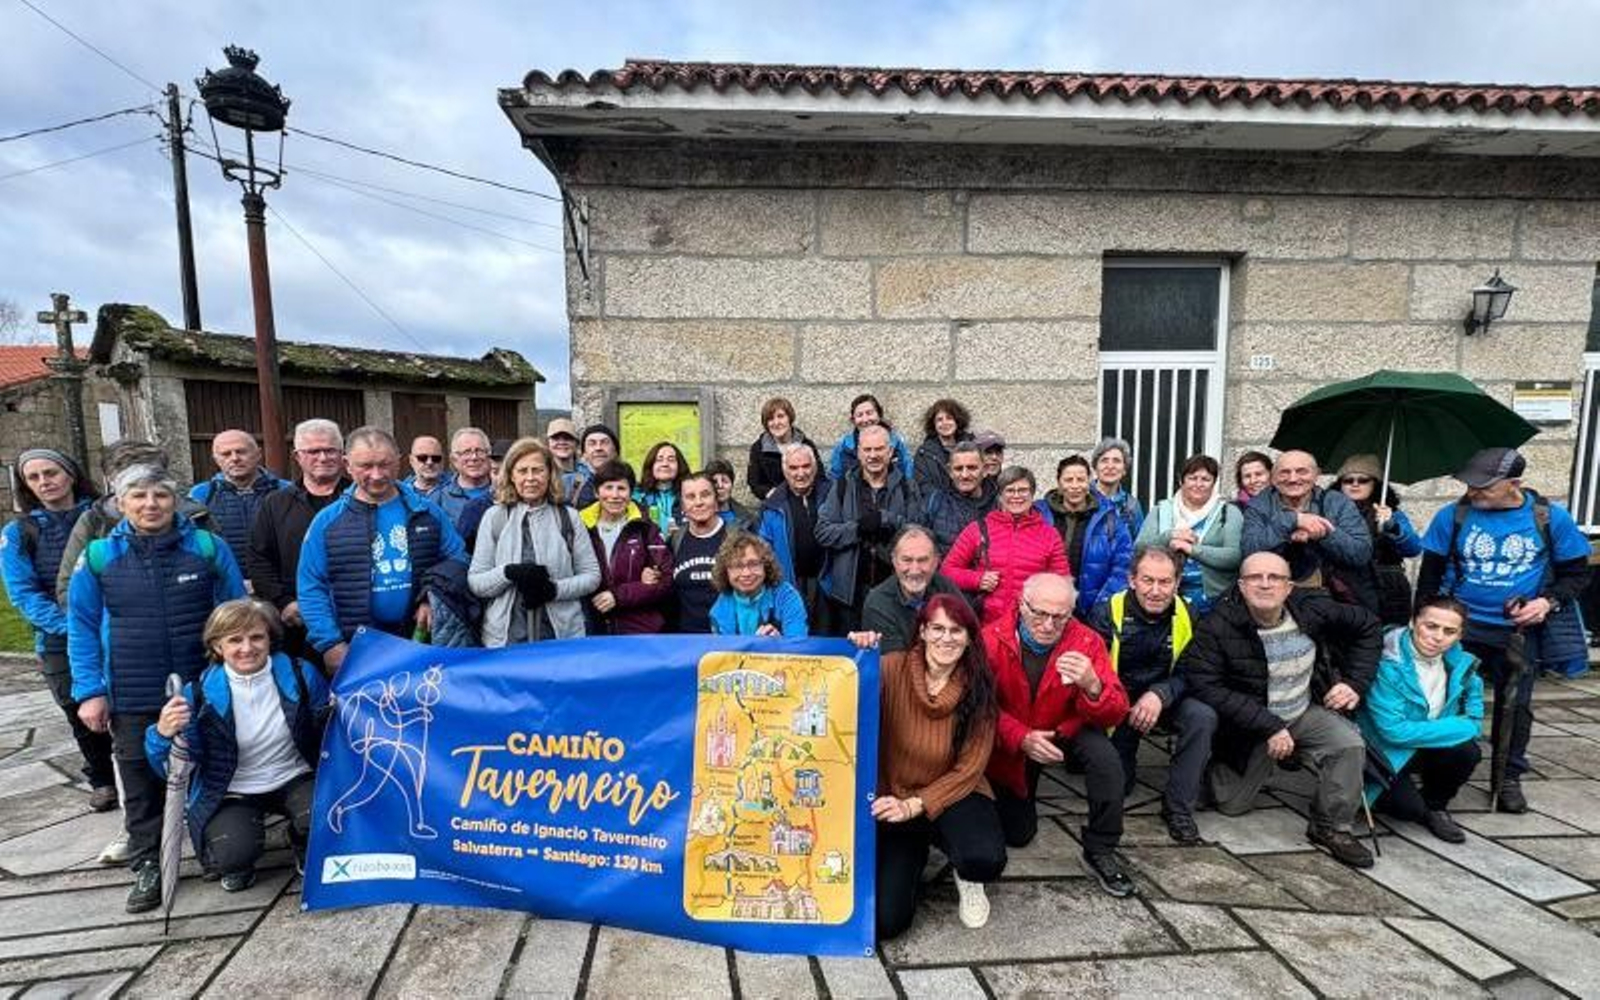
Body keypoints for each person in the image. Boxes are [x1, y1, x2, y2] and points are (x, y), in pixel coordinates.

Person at [67, 464, 247, 913]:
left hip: (201, 682)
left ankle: (213, 844)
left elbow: (235, 613)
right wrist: (90, 690)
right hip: (131, 688)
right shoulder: (99, 557)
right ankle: (149, 861)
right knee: (141, 780)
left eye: (160, 496)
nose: (151, 505)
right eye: (139, 497)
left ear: (175, 501)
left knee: (211, 765)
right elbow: (82, 626)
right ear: (120, 503)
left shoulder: (207, 548)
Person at [1414, 447, 1590, 813]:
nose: (1473, 493)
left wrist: (1547, 602)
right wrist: (1423, 618)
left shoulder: (1549, 518)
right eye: (1470, 486)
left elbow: (1577, 573)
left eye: (1483, 488)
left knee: (1515, 705)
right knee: (1441, 695)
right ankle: (1432, 767)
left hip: (1517, 629)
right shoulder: (1454, 516)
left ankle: (1507, 776)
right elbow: (1430, 574)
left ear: (1514, 484)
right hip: (1460, 625)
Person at [1181, 552, 1382, 869]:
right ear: (1241, 586)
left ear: (1289, 587)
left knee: (1348, 744)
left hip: (1302, 711)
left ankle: (1331, 826)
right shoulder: (1218, 623)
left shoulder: (1312, 608)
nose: (1264, 584)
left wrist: (1355, 683)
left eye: (1274, 577)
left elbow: (1369, 626)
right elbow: (1203, 683)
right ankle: (1225, 770)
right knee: (1232, 806)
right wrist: (1268, 725)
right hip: (1252, 726)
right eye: (1254, 578)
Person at [146, 600, 328, 891]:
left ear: (270, 639)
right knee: (231, 856)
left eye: (256, 637)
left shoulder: (301, 673)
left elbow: (330, 727)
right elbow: (170, 769)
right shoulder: (199, 695)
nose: (247, 648)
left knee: (327, 819)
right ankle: (240, 850)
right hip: (233, 788)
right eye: (235, 640)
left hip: (295, 775)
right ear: (217, 646)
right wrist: (161, 734)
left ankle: (303, 839)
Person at [984, 573, 1135, 895]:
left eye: (1060, 616)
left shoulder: (1086, 640)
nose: (1049, 624)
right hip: (1014, 738)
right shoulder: (991, 639)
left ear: (1070, 613)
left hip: (1066, 728)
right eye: (1039, 613)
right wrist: (1021, 737)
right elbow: (979, 709)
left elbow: (1117, 710)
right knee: (1018, 834)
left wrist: (1093, 686)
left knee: (1107, 761)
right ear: (1022, 605)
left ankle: (1101, 849)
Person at [874, 594, 1005, 938]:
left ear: (969, 637)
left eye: (957, 630)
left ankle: (966, 874)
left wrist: (917, 804)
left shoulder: (979, 684)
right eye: (937, 628)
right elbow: (842, 691)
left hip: (954, 792)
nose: (946, 638)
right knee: (887, 921)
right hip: (895, 797)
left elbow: (971, 768)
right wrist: (856, 650)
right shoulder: (888, 668)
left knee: (984, 858)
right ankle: (916, 853)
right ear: (921, 631)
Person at [1, 449, 115, 814]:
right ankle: (101, 777)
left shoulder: (101, 516)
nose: (44, 482)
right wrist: (71, 626)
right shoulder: (20, 532)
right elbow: (23, 591)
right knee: (79, 707)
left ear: (69, 474)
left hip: (112, 624)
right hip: (59, 634)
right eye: (33, 478)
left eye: (50, 473)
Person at [298, 427, 467, 673]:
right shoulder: (327, 522)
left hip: (418, 642)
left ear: (398, 461)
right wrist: (330, 643)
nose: (376, 475)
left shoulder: (428, 512)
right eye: (365, 466)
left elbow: (459, 559)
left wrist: (434, 596)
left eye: (384, 464)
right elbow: (311, 586)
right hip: (355, 647)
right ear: (347, 464)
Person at [1087, 546, 1217, 845]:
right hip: (1119, 701)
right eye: (1148, 580)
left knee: (1202, 716)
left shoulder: (1189, 613)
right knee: (1119, 787)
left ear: (1177, 582)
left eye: (1165, 582)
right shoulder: (1107, 612)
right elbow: (1097, 672)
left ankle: (1178, 809)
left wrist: (1160, 694)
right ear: (1132, 580)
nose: (1156, 590)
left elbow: (1193, 670)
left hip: (1167, 698)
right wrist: (1126, 703)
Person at [1357, 597, 1484, 843]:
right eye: (1431, 626)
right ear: (1413, 623)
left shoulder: (1462, 664)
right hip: (1383, 753)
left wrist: (1467, 727)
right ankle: (1409, 801)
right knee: (1408, 811)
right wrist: (1461, 726)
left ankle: (1436, 806)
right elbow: (1394, 731)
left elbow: (1476, 718)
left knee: (1467, 752)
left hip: (1424, 743)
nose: (1438, 637)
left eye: (1449, 631)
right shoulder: (1386, 662)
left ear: (1459, 635)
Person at [470, 438, 601, 644]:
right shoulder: (494, 517)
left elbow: (591, 576)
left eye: (537, 470)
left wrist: (553, 590)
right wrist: (507, 572)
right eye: (522, 471)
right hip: (505, 638)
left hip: (561, 636)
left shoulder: (569, 517)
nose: (530, 478)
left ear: (550, 474)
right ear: (511, 475)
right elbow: (476, 582)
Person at [55, 440, 213, 606]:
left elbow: (223, 583)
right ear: (111, 481)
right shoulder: (94, 521)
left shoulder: (197, 516)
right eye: (132, 480)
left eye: (153, 476)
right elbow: (70, 590)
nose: (147, 493)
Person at [248, 419, 351, 671]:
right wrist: (284, 602)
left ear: (343, 455)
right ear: (297, 456)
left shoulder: (361, 498)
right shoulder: (275, 504)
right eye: (314, 451)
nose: (323, 457)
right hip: (296, 622)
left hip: (353, 619)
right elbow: (259, 560)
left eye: (331, 450)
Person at [816, 424, 922, 634]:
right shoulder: (842, 486)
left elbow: (919, 534)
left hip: (895, 591)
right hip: (850, 595)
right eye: (867, 450)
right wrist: (857, 530)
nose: (873, 455)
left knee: (890, 658)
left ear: (890, 451)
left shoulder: (907, 487)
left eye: (879, 449)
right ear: (858, 452)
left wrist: (888, 520)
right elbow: (822, 532)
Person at [1240, 449, 1373, 611]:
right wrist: (1293, 521)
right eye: (1284, 472)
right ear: (1273, 478)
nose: (1293, 478)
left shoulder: (1338, 503)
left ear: (1317, 474)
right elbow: (1249, 550)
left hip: (1331, 599)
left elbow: (1362, 553)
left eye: (1301, 471)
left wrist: (1325, 533)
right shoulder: (1259, 505)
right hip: (1273, 599)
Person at [944, 467, 1068, 628]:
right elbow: (947, 570)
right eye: (1010, 490)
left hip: (1030, 628)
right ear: (1000, 495)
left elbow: (1062, 583)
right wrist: (977, 579)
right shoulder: (978, 529)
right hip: (987, 625)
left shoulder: (1050, 535)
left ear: (1032, 494)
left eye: (1023, 490)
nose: (1016, 496)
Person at [1136, 455, 1243, 615]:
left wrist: (1192, 549)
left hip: (1216, 602)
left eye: (1206, 479)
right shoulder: (1161, 510)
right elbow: (1139, 548)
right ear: (1181, 481)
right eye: (1192, 478)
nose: (1198, 484)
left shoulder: (1228, 512)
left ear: (1214, 483)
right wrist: (1169, 537)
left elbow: (1234, 556)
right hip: (1166, 599)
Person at [578, 460, 671, 636]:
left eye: (621, 488)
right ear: (597, 492)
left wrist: (618, 596)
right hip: (593, 629)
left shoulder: (645, 528)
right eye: (608, 487)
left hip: (639, 630)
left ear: (631, 493)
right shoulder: (579, 526)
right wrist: (640, 584)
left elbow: (665, 581)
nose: (615, 495)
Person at [1038, 455, 1133, 617]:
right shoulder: (1039, 514)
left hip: (1093, 611)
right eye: (1068, 480)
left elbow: (1123, 566)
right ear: (1059, 483)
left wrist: (1102, 606)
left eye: (1080, 480)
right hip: (1046, 610)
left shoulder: (1109, 518)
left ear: (1089, 482)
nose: (1075, 486)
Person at [1335, 454, 1423, 625]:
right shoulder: (1330, 512)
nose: (1355, 484)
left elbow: (1414, 549)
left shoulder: (1392, 513)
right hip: (1345, 586)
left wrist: (1392, 526)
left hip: (1387, 587)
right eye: (1348, 480)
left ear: (1375, 484)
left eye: (1363, 480)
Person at [855, 526, 967, 654]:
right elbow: (897, 665)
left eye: (923, 560)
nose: (915, 569)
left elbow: (970, 634)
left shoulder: (946, 587)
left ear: (936, 561)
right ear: (894, 561)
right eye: (907, 560)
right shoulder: (878, 603)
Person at [188, 429, 289, 563]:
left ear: (258, 454)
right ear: (216, 460)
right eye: (226, 454)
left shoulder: (286, 491)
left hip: (277, 580)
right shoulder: (201, 494)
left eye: (241, 451)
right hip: (225, 579)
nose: (235, 458)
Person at [755, 443, 829, 625]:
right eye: (793, 468)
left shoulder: (832, 494)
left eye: (806, 466)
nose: (800, 473)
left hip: (827, 586)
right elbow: (764, 552)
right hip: (789, 585)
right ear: (784, 469)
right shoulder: (771, 505)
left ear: (815, 466)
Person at [707, 534, 808, 637]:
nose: (746, 573)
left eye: (753, 564)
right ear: (725, 571)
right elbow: (725, 650)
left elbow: (798, 642)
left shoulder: (786, 596)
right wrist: (757, 646)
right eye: (737, 566)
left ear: (766, 566)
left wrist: (779, 643)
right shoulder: (719, 609)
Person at [670, 472, 728, 633]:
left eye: (705, 495)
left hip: (728, 640)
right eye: (690, 497)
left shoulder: (737, 538)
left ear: (716, 500)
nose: (698, 502)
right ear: (682, 506)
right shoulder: (675, 541)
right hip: (685, 640)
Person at [923, 441, 997, 555]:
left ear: (985, 470)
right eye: (958, 469)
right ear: (950, 471)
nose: (965, 475)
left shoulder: (999, 504)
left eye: (972, 468)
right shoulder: (935, 501)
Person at [827, 393, 915, 483]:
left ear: (879, 415)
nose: (865, 419)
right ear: (853, 420)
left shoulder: (896, 442)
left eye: (869, 413)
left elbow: (908, 475)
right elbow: (834, 478)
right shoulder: (844, 446)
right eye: (859, 415)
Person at [746, 397, 819, 501]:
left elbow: (819, 476)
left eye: (780, 416)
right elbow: (754, 483)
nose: (776, 423)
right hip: (775, 504)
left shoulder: (806, 444)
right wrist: (771, 494)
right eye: (770, 419)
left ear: (790, 418)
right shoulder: (758, 448)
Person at [436, 428, 495, 529]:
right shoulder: (439, 498)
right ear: (454, 459)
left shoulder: (504, 492)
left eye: (479, 451)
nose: (474, 457)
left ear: (489, 455)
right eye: (466, 452)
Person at [913, 397, 973, 495]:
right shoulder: (924, 454)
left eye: (949, 418)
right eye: (939, 420)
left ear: (957, 421)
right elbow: (923, 486)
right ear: (934, 425)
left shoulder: (972, 446)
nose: (945, 423)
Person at [1090, 437, 1145, 536]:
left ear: (1124, 469)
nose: (1110, 466)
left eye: (1116, 461)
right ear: (1095, 467)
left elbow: (1138, 545)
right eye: (1104, 460)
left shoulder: (1132, 506)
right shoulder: (1083, 498)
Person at [635, 441, 688, 538]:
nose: (665, 464)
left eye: (671, 460)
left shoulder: (688, 495)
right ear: (651, 465)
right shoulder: (637, 496)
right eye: (659, 460)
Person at [562, 424, 619, 511]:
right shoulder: (568, 483)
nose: (598, 448)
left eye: (604, 442)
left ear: (615, 451)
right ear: (584, 453)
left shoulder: (628, 483)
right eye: (592, 443)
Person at [705, 458, 756, 529]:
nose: (720, 486)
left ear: (732, 484)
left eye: (724, 481)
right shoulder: (697, 515)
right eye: (715, 482)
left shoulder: (746, 518)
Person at [405, 435, 450, 502]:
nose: (429, 462)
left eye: (436, 458)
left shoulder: (457, 490)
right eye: (422, 458)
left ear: (442, 460)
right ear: (411, 460)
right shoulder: (400, 493)